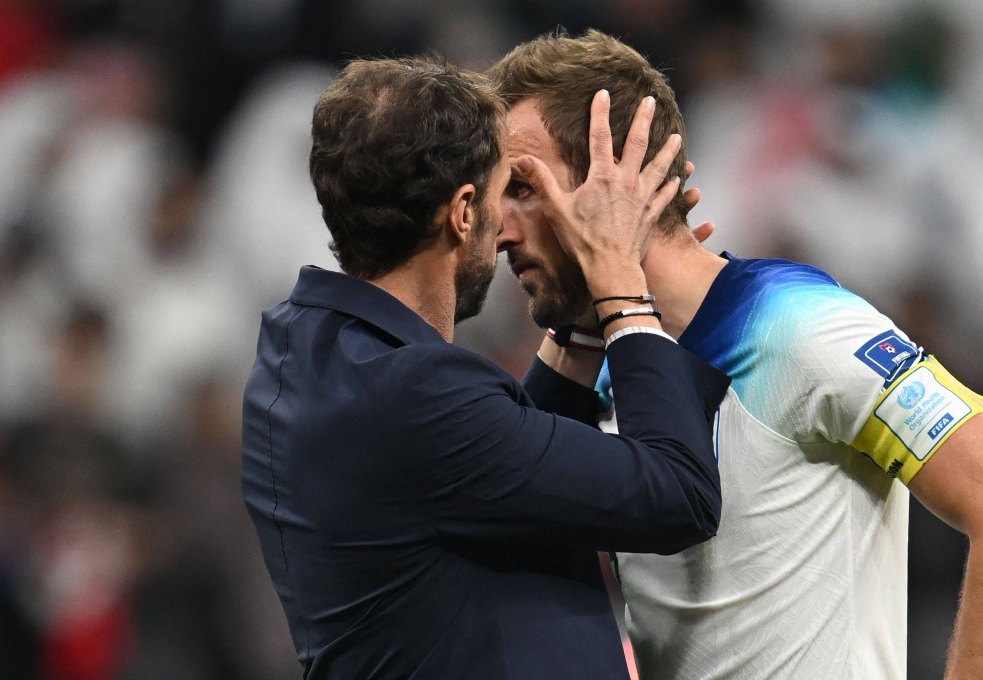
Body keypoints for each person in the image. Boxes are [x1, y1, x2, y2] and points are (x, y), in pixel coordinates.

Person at [489, 29, 983, 680]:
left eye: (524, 188)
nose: (499, 230)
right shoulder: (608, 363)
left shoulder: (798, 326)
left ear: (619, 185)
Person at [240, 55, 730, 679]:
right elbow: (678, 493)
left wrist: (581, 311)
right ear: (463, 210)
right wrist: (619, 279)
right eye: (508, 193)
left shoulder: (302, 354)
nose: (506, 232)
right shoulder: (416, 394)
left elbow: (503, 465)